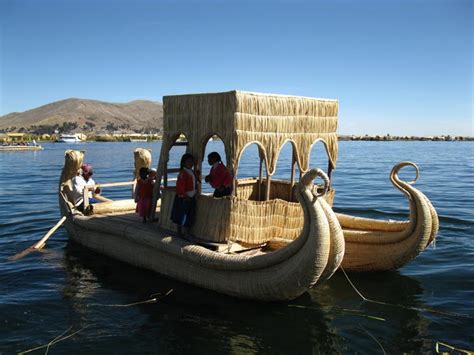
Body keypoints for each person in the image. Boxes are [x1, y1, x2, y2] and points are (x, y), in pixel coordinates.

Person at [171, 154, 196, 237]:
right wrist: (184, 196)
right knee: (182, 215)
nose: (191, 163)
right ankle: (179, 232)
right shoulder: (183, 173)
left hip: (191, 197)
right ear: (183, 163)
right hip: (184, 198)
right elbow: (180, 186)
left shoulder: (191, 172)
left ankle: (186, 232)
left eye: (192, 161)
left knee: (189, 215)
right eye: (189, 161)